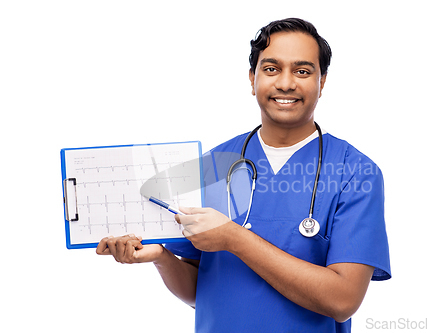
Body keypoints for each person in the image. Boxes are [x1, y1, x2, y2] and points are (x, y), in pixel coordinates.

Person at [96, 18, 391, 332]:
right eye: (271, 69)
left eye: (302, 71)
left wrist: (235, 239)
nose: (286, 83)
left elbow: (343, 301)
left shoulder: (355, 172)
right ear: (252, 79)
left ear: (323, 81)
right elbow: (201, 290)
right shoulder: (212, 165)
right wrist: (161, 258)